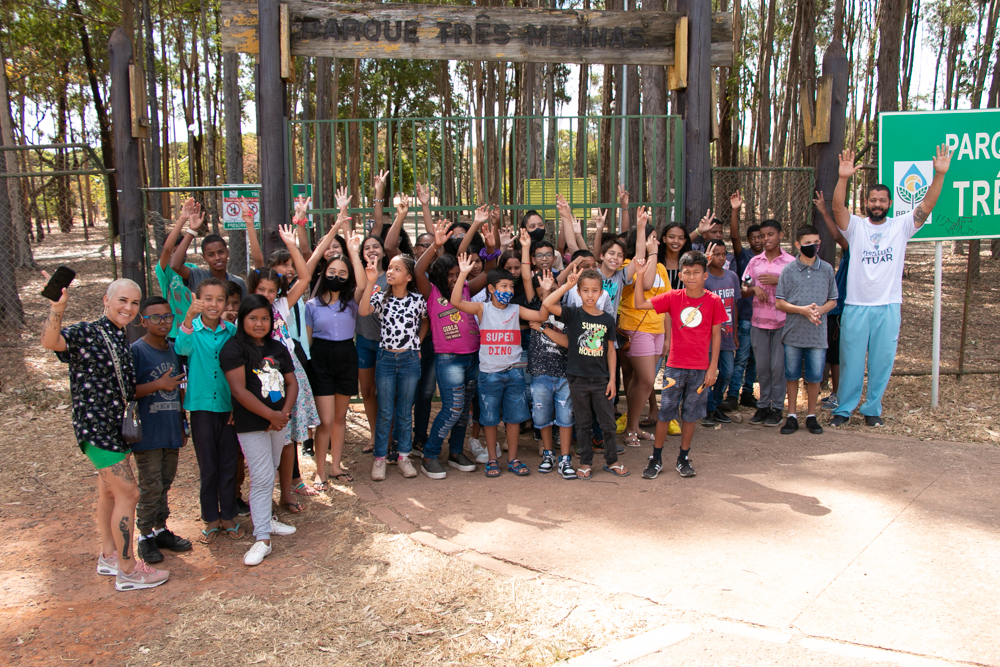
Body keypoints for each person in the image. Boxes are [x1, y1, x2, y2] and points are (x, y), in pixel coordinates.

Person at [42, 278, 170, 590]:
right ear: (106, 300)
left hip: (116, 428)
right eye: (122, 300)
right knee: (129, 493)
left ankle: (110, 556)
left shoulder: (119, 338)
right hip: (95, 429)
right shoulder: (87, 332)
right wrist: (57, 307)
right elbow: (51, 341)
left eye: (134, 303)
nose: (128, 307)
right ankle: (128, 570)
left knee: (109, 493)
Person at [830, 145, 952, 427]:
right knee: (850, 362)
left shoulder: (901, 226)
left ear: (889, 204)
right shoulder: (856, 226)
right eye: (873, 200)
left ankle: (872, 409)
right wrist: (843, 178)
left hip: (888, 306)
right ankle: (844, 408)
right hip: (857, 306)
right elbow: (837, 208)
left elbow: (927, 206)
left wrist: (940, 175)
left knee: (881, 363)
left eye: (882, 200)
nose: (877, 204)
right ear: (866, 202)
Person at [450, 256, 550, 478]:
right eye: (503, 286)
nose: (508, 290)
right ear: (491, 289)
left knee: (514, 419)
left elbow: (543, 316)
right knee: (490, 419)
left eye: (511, 286)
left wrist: (545, 292)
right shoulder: (482, 308)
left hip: (514, 373)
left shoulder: (516, 309)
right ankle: (492, 460)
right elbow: (456, 301)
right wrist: (463, 274)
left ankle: (513, 459)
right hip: (489, 375)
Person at [220, 295, 299, 566]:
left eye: (265, 318)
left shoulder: (278, 347)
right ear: (242, 319)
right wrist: (270, 415)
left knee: (273, 466)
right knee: (262, 477)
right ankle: (262, 537)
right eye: (253, 318)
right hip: (252, 423)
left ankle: (266, 519)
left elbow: (292, 383)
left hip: (278, 420)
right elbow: (239, 391)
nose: (259, 323)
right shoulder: (233, 349)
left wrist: (283, 415)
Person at [632, 253, 726, 480]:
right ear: (681, 275)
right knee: (665, 413)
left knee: (690, 415)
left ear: (705, 275)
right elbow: (639, 303)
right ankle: (656, 457)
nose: (691, 276)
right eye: (687, 272)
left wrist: (712, 367)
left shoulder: (713, 301)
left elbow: (716, 336)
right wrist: (640, 275)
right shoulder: (673, 297)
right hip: (674, 367)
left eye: (696, 272)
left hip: (700, 368)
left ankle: (683, 457)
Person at [413, 221, 493, 479]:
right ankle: (431, 454)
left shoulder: (468, 288)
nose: (453, 278)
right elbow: (417, 270)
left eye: (456, 273)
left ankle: (457, 451)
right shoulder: (432, 292)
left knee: (465, 408)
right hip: (449, 360)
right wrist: (435, 245)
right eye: (449, 274)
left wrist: (490, 245)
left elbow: (490, 270)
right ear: (440, 275)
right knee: (452, 407)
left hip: (472, 357)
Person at [175, 278, 242, 543]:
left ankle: (228, 516)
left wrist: (238, 405)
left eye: (219, 299)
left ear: (226, 303)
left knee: (228, 464)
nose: (213, 304)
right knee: (208, 467)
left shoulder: (232, 332)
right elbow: (182, 349)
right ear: (198, 300)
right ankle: (210, 519)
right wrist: (188, 319)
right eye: (208, 299)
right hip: (201, 407)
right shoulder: (192, 330)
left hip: (227, 408)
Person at [131, 296, 195, 565]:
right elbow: (129, 390)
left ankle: (160, 530)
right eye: (155, 317)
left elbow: (180, 388)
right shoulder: (136, 351)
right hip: (147, 432)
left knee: (165, 482)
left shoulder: (174, 349)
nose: (162, 322)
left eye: (167, 316)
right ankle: (144, 536)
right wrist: (159, 384)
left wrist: (183, 424)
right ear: (142, 320)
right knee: (151, 485)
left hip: (170, 427)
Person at [543, 267, 624, 479]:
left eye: (594, 290)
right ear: (578, 293)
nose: (590, 295)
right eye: (585, 290)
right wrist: (567, 286)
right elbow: (548, 304)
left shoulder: (607, 319)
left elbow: (611, 352)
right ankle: (586, 462)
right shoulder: (573, 314)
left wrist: (612, 380)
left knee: (607, 423)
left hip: (601, 380)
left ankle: (612, 460)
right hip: (578, 379)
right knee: (583, 424)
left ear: (601, 293)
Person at [358, 254, 428, 481]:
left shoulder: (418, 300)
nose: (390, 272)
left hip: (409, 359)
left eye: (397, 269)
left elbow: (425, 320)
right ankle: (380, 459)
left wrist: (418, 341)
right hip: (386, 359)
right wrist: (370, 282)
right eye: (389, 268)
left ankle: (403, 457)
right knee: (385, 411)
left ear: (408, 276)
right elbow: (363, 311)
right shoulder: (381, 297)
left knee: (405, 411)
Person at [305, 229, 366, 487]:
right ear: (324, 274)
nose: (336, 277)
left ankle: (335, 466)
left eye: (342, 274)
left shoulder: (352, 302)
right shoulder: (311, 305)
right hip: (320, 358)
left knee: (340, 418)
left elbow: (363, 284)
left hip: (346, 356)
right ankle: (319, 470)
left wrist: (353, 252)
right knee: (325, 420)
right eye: (332, 272)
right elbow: (308, 341)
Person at [775, 225, 839, 435]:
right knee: (792, 375)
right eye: (808, 243)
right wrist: (802, 311)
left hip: (817, 335)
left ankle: (811, 416)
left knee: (814, 376)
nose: (813, 246)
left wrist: (819, 310)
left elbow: (833, 300)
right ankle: (791, 415)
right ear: (797, 245)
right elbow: (780, 303)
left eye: (816, 242)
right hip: (793, 334)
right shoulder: (789, 270)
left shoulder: (827, 269)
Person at [617, 207, 664, 448]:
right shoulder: (628, 265)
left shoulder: (662, 268)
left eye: (656, 239)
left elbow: (665, 302)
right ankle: (629, 429)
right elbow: (645, 284)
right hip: (635, 327)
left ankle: (633, 427)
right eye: (650, 237)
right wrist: (652, 252)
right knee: (646, 380)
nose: (655, 242)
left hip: (657, 329)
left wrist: (667, 338)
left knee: (640, 380)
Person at [742, 219, 795, 427]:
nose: (766, 239)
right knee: (763, 367)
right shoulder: (755, 262)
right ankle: (763, 406)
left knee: (778, 367)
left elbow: (799, 290)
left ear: (780, 235)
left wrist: (778, 281)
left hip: (782, 322)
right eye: (763, 236)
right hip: (759, 322)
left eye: (770, 235)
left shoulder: (791, 262)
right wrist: (754, 289)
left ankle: (777, 408)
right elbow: (743, 286)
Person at [525, 269, 576, 478]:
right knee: (542, 417)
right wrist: (545, 293)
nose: (548, 294)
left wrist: (544, 329)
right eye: (543, 292)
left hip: (564, 374)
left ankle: (565, 457)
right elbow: (543, 306)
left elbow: (568, 342)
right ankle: (548, 454)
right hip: (540, 374)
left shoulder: (568, 313)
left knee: (565, 418)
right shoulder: (536, 310)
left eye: (554, 289)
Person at [812, 190, 850, 410]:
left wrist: (825, 211)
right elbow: (838, 237)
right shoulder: (850, 250)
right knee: (834, 355)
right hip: (838, 309)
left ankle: (841, 394)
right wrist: (825, 211)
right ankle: (837, 393)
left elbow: (838, 237)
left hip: (851, 309)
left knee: (842, 356)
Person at [726, 190, 762, 410]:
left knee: (755, 360)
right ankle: (732, 394)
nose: (759, 241)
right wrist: (735, 210)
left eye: (762, 237)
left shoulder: (775, 261)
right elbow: (734, 237)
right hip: (746, 316)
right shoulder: (745, 256)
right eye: (754, 238)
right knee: (741, 357)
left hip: (765, 318)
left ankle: (748, 392)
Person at [702, 240, 740, 427]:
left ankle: (716, 404)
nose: (721, 258)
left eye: (724, 254)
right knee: (707, 373)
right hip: (708, 337)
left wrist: (735, 333)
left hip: (728, 335)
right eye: (717, 254)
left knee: (727, 372)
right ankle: (708, 409)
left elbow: (734, 304)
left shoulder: (732, 276)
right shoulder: (705, 279)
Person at [355, 233, 387, 454]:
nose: (372, 250)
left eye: (376, 246)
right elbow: (358, 298)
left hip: (387, 343)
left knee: (387, 392)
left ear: (384, 251)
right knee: (367, 391)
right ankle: (375, 435)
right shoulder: (360, 276)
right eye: (367, 248)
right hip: (365, 341)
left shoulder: (392, 275)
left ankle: (389, 436)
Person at [169, 208, 247, 298]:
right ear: (204, 257)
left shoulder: (237, 282)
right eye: (211, 255)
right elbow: (175, 265)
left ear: (227, 253)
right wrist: (192, 231)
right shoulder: (197, 276)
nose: (217, 257)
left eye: (221, 252)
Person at [155, 199, 203, 338]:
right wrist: (182, 219)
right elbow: (166, 249)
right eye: (174, 251)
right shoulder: (165, 271)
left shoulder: (192, 269)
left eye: (180, 249)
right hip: (174, 332)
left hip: (195, 329)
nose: (177, 253)